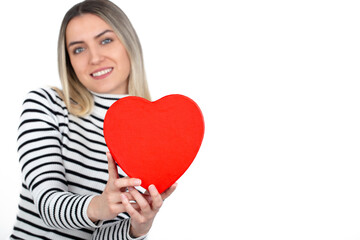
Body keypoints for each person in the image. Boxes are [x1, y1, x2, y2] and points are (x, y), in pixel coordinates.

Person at [10, 0, 176, 239]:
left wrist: (137, 229)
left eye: (105, 40)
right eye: (79, 49)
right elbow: (46, 203)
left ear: (129, 44)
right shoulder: (47, 104)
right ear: (69, 61)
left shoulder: (154, 134)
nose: (95, 58)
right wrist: (100, 205)